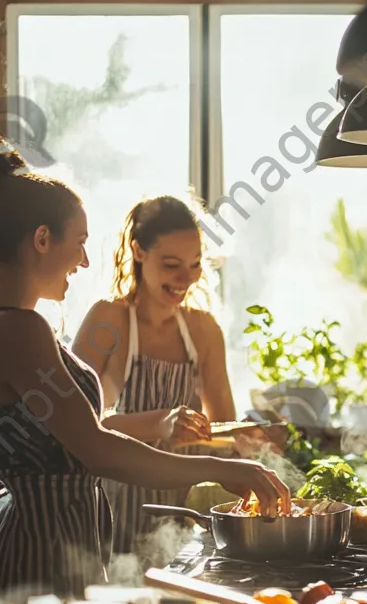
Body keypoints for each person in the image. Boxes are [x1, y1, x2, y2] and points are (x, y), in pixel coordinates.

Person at [0, 151, 289, 604]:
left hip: (65, 550)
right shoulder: (16, 329)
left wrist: (238, 450)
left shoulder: (16, 325)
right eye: (80, 241)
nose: (85, 261)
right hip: (41, 561)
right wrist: (222, 466)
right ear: (42, 239)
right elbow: (100, 449)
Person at [73, 196, 250, 562]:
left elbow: (221, 429)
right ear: (138, 252)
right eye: (171, 265)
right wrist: (159, 423)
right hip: (111, 513)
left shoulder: (203, 330)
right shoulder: (109, 321)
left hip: (183, 514)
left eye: (195, 265)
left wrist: (250, 439)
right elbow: (74, 428)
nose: (186, 279)